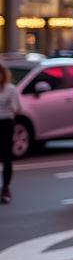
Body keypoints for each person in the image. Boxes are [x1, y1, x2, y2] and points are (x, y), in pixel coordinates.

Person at [0, 62, 20, 204]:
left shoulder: (11, 89)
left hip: (6, 124)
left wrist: (10, 104)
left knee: (6, 157)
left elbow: (17, 108)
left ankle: (6, 188)